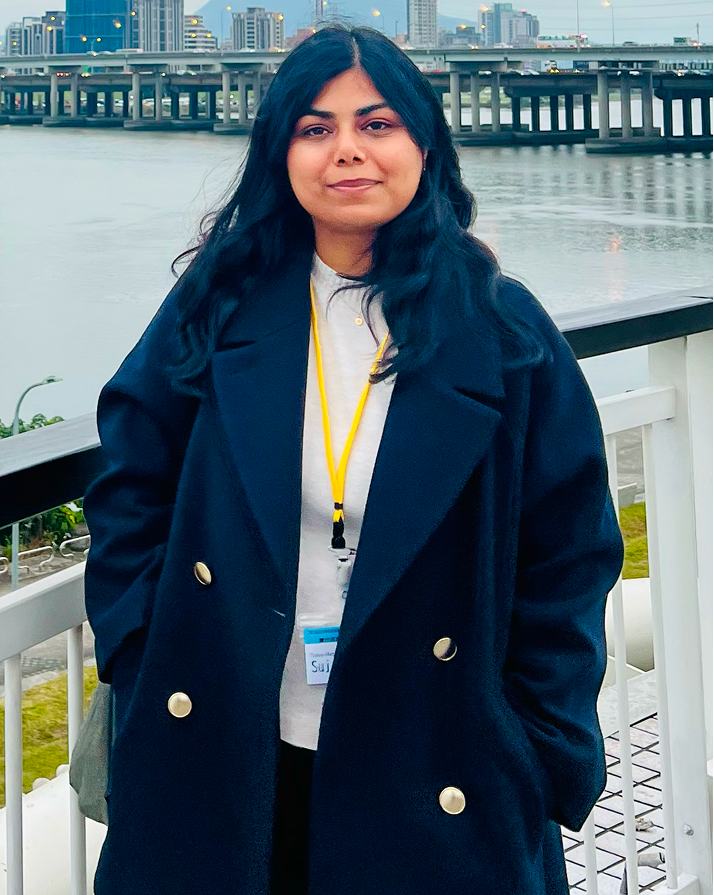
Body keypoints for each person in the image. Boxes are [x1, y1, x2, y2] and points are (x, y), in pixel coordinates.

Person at [81, 23, 624, 895]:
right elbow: (129, 481)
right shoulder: (218, 304)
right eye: (314, 127)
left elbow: (571, 552)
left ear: (422, 145)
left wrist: (536, 741)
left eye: (377, 125)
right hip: (227, 739)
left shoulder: (503, 331)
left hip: (433, 755)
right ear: (281, 152)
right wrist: (141, 651)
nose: (347, 153)